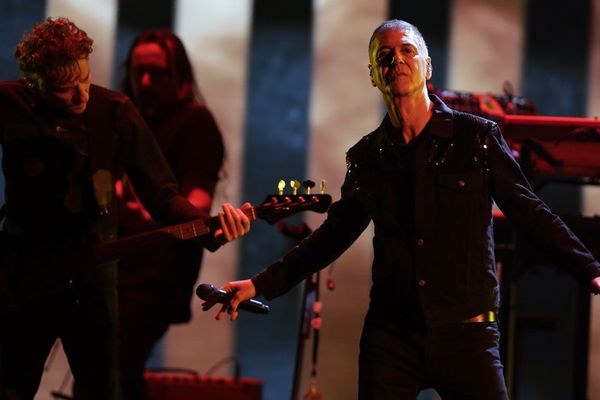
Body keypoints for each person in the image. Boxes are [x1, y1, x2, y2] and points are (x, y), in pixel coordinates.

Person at [205, 19, 600, 399]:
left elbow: (530, 211)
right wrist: (259, 285)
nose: (397, 61)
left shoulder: (475, 139)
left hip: (467, 335)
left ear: (427, 66)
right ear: (374, 75)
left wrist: (590, 269)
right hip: (392, 339)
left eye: (408, 51)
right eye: (385, 55)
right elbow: (331, 238)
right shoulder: (367, 157)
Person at [0, 17, 250, 400]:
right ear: (34, 84)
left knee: (103, 389)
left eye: (84, 79)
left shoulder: (114, 112)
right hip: (24, 278)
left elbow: (163, 195)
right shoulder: (10, 104)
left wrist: (208, 228)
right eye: (65, 90)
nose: (81, 96)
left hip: (94, 281)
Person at [116, 29, 226, 400]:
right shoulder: (122, 119)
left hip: (155, 278)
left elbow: (195, 208)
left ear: (180, 77)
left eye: (157, 73)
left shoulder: (195, 126)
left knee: (116, 368)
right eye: (138, 72)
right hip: (112, 272)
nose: (145, 82)